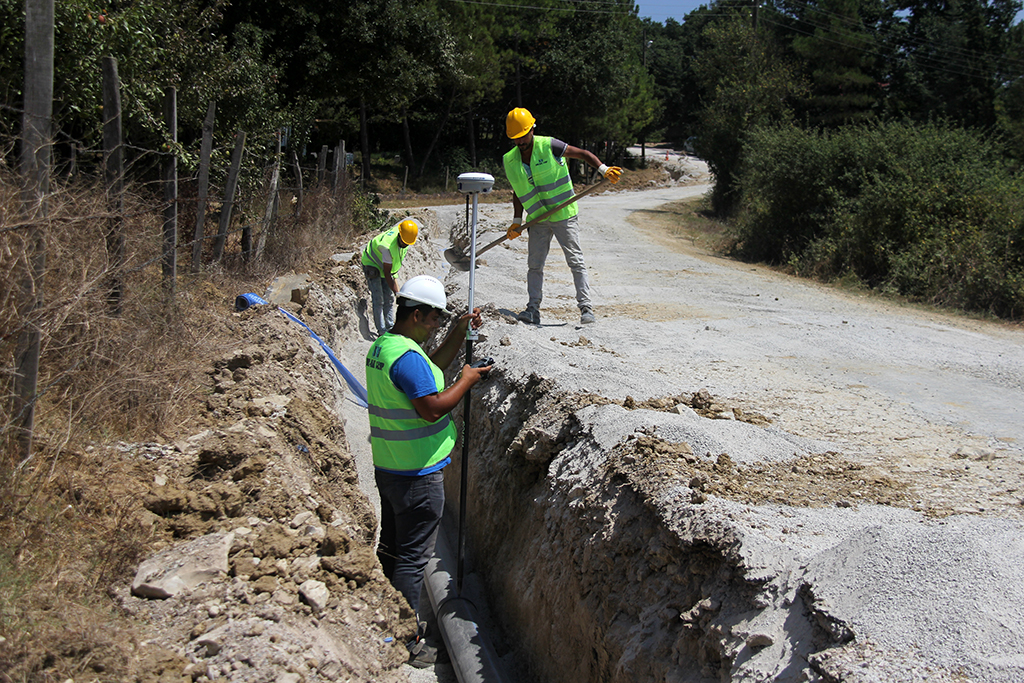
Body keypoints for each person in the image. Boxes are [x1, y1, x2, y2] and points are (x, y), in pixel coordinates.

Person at [364, 274, 491, 668]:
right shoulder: (406, 358)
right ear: (417, 314)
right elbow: (432, 406)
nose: (437, 325)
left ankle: (379, 610)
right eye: (435, 319)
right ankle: (406, 638)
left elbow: (430, 368)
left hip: (390, 468)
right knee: (413, 558)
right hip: (417, 475)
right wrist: (467, 380)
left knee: (392, 544)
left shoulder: (387, 347)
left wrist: (458, 329)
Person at [502, 107, 622, 325]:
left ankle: (586, 308)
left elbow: (583, 154)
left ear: (532, 129)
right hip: (537, 218)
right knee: (535, 265)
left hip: (563, 215)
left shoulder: (549, 145)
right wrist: (517, 221)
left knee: (575, 261)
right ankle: (532, 309)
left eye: (523, 136)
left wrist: (604, 169)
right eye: (516, 139)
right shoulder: (510, 160)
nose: (520, 143)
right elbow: (518, 191)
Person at [361, 219, 419, 337]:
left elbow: (393, 269)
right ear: (400, 236)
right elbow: (388, 274)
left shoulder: (405, 239)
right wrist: (397, 293)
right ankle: (382, 331)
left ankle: (390, 326)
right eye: (404, 242)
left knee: (389, 299)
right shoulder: (387, 248)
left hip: (385, 265)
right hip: (372, 263)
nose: (405, 245)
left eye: (407, 243)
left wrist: (396, 294)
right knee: (379, 299)